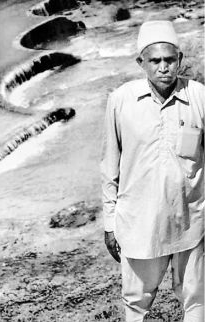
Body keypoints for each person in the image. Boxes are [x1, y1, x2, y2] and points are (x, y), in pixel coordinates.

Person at [100, 20, 204, 322]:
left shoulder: (198, 97)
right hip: (139, 225)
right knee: (136, 305)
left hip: (190, 222)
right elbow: (109, 166)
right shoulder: (121, 101)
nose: (163, 68)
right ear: (141, 63)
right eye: (155, 61)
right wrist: (110, 223)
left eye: (170, 60)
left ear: (180, 61)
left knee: (197, 300)